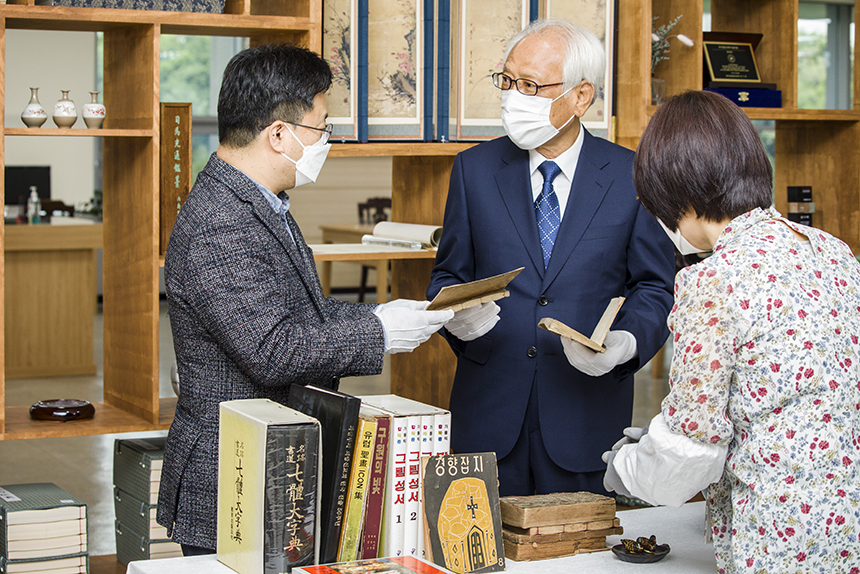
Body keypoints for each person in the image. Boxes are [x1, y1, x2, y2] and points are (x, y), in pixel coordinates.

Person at [156, 43, 453, 555]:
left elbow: (301, 313)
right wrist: (378, 333)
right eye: (321, 128)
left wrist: (385, 315)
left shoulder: (261, 201)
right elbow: (273, 351)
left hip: (277, 457)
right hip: (233, 473)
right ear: (279, 134)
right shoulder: (220, 222)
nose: (326, 141)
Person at [603, 90, 860, 572]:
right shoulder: (835, 252)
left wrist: (629, 469)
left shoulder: (711, 280)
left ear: (678, 195)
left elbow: (691, 447)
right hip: (848, 524)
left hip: (775, 533)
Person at [426, 19, 675, 497]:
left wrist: (627, 343)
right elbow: (448, 274)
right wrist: (454, 315)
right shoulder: (474, 170)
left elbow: (654, 287)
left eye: (531, 86)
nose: (513, 96)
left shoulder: (633, 176)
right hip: (488, 418)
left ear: (581, 97)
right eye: (508, 81)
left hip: (585, 419)